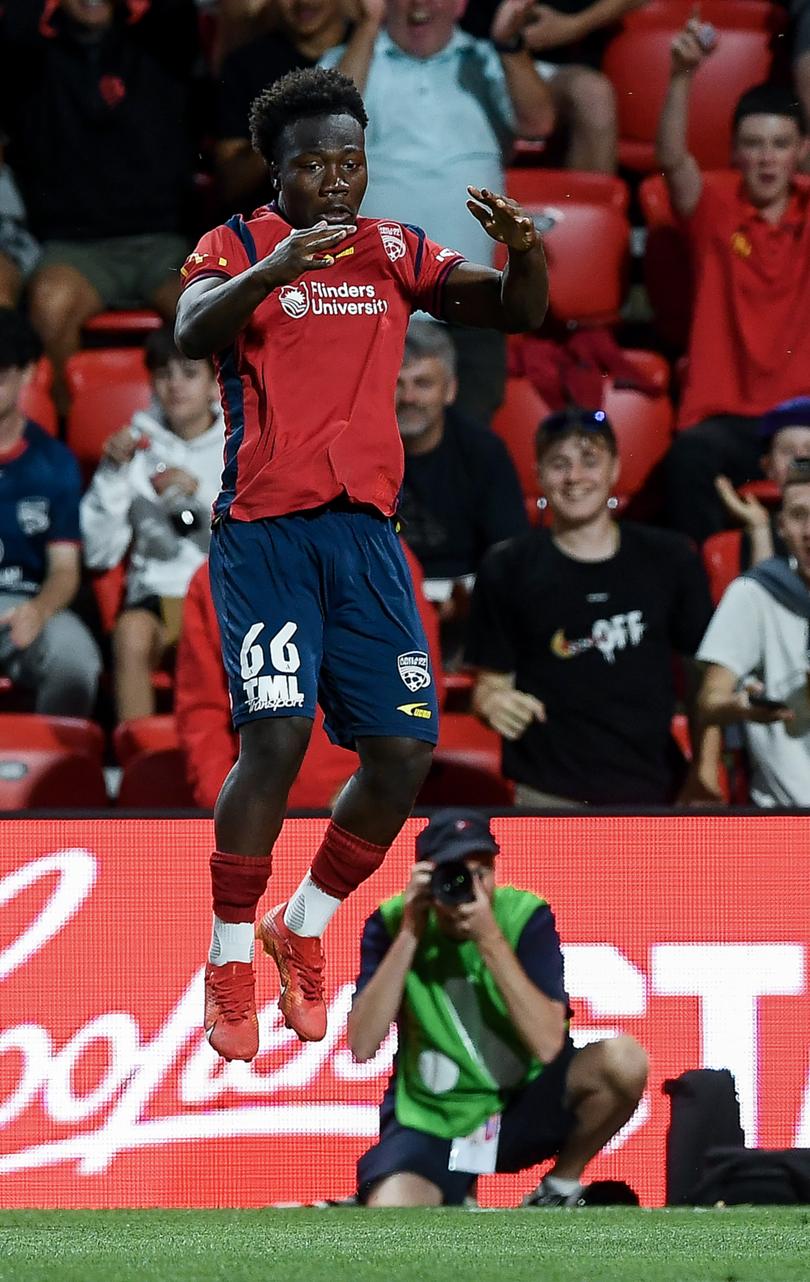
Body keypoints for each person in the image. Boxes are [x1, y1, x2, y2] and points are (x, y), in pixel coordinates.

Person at [174, 66, 549, 1062]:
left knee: (403, 755)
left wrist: (525, 251)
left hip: (368, 539)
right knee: (280, 738)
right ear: (276, 170)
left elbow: (515, 311)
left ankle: (300, 923)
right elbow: (190, 329)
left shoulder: (394, 251)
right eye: (315, 165)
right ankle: (226, 959)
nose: (338, 180)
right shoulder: (236, 243)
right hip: (267, 533)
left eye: (352, 160)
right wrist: (278, 265)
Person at [350, 809, 648, 1207]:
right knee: (393, 1211)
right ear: (425, 876)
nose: (469, 887)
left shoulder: (524, 917)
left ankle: (556, 1190)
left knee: (624, 1060)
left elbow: (547, 1045)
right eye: (454, 873)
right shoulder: (391, 922)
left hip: (520, 1107)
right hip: (432, 1117)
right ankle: (453, 1197)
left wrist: (488, 937)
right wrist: (410, 931)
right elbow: (362, 1045)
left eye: (482, 872)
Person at [466, 408, 715, 807]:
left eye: (590, 462)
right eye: (559, 464)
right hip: (546, 794)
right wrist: (492, 703)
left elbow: (705, 681)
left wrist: (703, 775)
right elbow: (489, 686)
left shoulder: (670, 559)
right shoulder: (507, 566)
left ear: (615, 469)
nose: (575, 477)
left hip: (654, 790)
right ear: (540, 475)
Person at [321, 0, 554, 423]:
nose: (417, 6)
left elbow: (538, 121)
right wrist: (369, 28)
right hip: (368, 306)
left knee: (462, 445)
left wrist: (509, 46)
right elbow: (325, 124)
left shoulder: (485, 60)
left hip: (467, 302)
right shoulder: (349, 59)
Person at [0, 0, 199, 409]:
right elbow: (15, 27)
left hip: (162, 244)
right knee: (49, 304)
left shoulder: (159, 46)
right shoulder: (31, 59)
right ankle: (65, 439)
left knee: (211, 304)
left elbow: (177, 15)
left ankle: (214, 444)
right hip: (76, 250)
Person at [656, 19, 810, 544]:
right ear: (736, 153)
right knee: (687, 460)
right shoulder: (718, 208)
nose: (767, 159)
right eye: (754, 145)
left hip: (804, 412)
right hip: (726, 420)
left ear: (801, 152)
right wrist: (680, 76)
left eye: (780, 144)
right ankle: (701, 614)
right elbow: (673, 161)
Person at [175, 545, 441, 809]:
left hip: (366, 811)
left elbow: (417, 695)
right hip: (255, 815)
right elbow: (203, 712)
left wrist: (367, 795)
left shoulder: (384, 557)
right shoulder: (218, 574)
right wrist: (228, 805)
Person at [80, 327, 224, 724]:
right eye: (163, 374)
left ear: (215, 384)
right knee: (130, 634)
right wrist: (113, 472)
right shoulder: (134, 446)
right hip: (159, 595)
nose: (175, 385)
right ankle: (138, 763)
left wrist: (202, 497)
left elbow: (257, 538)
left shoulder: (240, 444)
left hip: (222, 590)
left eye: (188, 373)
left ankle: (237, 765)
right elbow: (98, 551)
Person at [397, 318, 529, 666]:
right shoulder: (355, 453)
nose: (408, 397)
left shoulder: (484, 452)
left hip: (468, 604)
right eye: (396, 384)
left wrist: (474, 602)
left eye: (423, 384)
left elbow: (509, 553)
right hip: (383, 601)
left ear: (450, 390)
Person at [0, 308, 101, 716]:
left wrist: (39, 610)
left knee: (75, 660)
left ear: (27, 375)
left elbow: (64, 568)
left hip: (25, 604)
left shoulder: (53, 462)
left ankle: (55, 774)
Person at [693, 459, 810, 808]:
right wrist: (741, 707)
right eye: (799, 515)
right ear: (781, 527)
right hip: (785, 820)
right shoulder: (755, 594)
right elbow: (707, 703)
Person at [461, 0, 637, 174]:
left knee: (593, 95)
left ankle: (588, 200)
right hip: (472, 56)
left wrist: (575, 25)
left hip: (559, 65)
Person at [216, 0, 350, 211]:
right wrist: (287, 134)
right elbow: (232, 182)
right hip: (273, 228)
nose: (304, 3)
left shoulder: (376, 51)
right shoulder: (244, 65)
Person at [715, 397, 810, 570]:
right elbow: (761, 596)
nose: (800, 458)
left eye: (809, 449)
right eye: (788, 451)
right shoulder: (757, 532)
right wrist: (759, 527)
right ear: (768, 466)